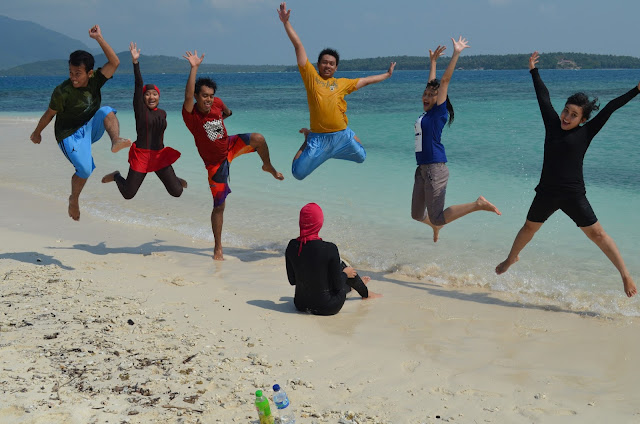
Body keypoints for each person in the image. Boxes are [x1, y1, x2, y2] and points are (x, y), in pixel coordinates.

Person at [496, 52, 638, 298]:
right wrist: (533, 71)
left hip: (573, 194)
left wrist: (636, 90)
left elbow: (611, 107)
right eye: (566, 111)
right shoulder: (552, 124)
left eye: (574, 115)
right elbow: (543, 97)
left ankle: (625, 274)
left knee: (597, 234)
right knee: (528, 228)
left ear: (583, 119)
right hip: (547, 193)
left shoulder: (587, 132)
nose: (567, 117)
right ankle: (511, 258)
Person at [182, 50, 284, 261]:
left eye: (211, 95)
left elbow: (227, 112)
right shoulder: (191, 115)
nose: (208, 99)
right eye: (204, 96)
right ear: (197, 97)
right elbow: (188, 96)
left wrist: (222, 118)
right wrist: (194, 68)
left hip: (229, 145)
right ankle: (218, 248)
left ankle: (267, 166)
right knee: (219, 206)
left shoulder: (217, 103)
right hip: (215, 164)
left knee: (258, 138)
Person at [277, 2, 396, 180]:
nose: (328, 66)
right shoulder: (311, 77)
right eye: (324, 62)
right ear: (318, 64)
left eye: (331, 64)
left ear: (336, 67)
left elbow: (365, 81)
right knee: (297, 173)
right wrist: (286, 23)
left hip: (341, 135)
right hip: (318, 138)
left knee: (362, 157)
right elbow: (298, 46)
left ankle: (348, 136)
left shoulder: (342, 83)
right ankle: (307, 139)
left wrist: (387, 75)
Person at [30, 25, 131, 221]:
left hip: (89, 128)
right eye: (71, 72)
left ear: (90, 73)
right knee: (84, 170)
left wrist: (99, 38)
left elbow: (115, 62)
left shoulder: (96, 80)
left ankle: (115, 140)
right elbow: (49, 114)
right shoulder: (63, 91)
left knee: (106, 111)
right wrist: (37, 133)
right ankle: (74, 199)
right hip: (68, 135)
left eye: (78, 73)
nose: (73, 77)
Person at [411, 38, 501, 242]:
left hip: (435, 169)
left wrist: (456, 53)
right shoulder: (427, 114)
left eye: (431, 95)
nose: (426, 96)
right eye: (424, 94)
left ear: (439, 100)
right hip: (422, 169)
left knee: (438, 216)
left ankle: (477, 204)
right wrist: (433, 62)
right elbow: (433, 84)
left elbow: (444, 82)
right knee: (416, 214)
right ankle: (436, 226)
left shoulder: (438, 113)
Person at [102, 42, 187, 198]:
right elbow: (138, 84)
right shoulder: (140, 111)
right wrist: (135, 62)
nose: (151, 97)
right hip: (141, 156)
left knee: (177, 192)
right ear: (142, 97)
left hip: (159, 155)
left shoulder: (163, 113)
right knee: (128, 194)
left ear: (159, 97)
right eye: (147, 94)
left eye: (154, 94)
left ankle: (174, 180)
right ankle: (116, 176)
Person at [285, 203, 382, 316]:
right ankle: (365, 293)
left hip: (301, 304)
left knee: (322, 274)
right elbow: (337, 286)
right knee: (343, 267)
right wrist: (345, 274)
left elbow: (293, 281)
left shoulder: (292, 245)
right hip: (327, 307)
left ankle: (355, 287)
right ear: (320, 222)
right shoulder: (329, 248)